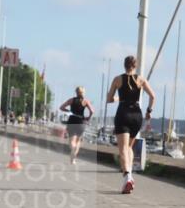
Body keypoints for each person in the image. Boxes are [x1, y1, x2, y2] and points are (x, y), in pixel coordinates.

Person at [106, 56, 155, 194]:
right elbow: (153, 96)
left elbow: (109, 99)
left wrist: (118, 98)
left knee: (123, 149)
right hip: (136, 115)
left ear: (124, 65)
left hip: (123, 113)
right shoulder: (141, 79)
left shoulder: (117, 79)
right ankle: (130, 176)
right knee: (129, 147)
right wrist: (149, 112)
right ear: (135, 66)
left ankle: (127, 176)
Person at [59, 86, 94, 164]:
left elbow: (61, 107)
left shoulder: (71, 100)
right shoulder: (86, 101)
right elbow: (92, 111)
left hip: (72, 121)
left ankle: (73, 149)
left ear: (76, 92)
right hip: (81, 122)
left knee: (72, 141)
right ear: (83, 93)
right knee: (78, 141)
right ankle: (73, 159)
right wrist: (88, 118)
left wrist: (68, 111)